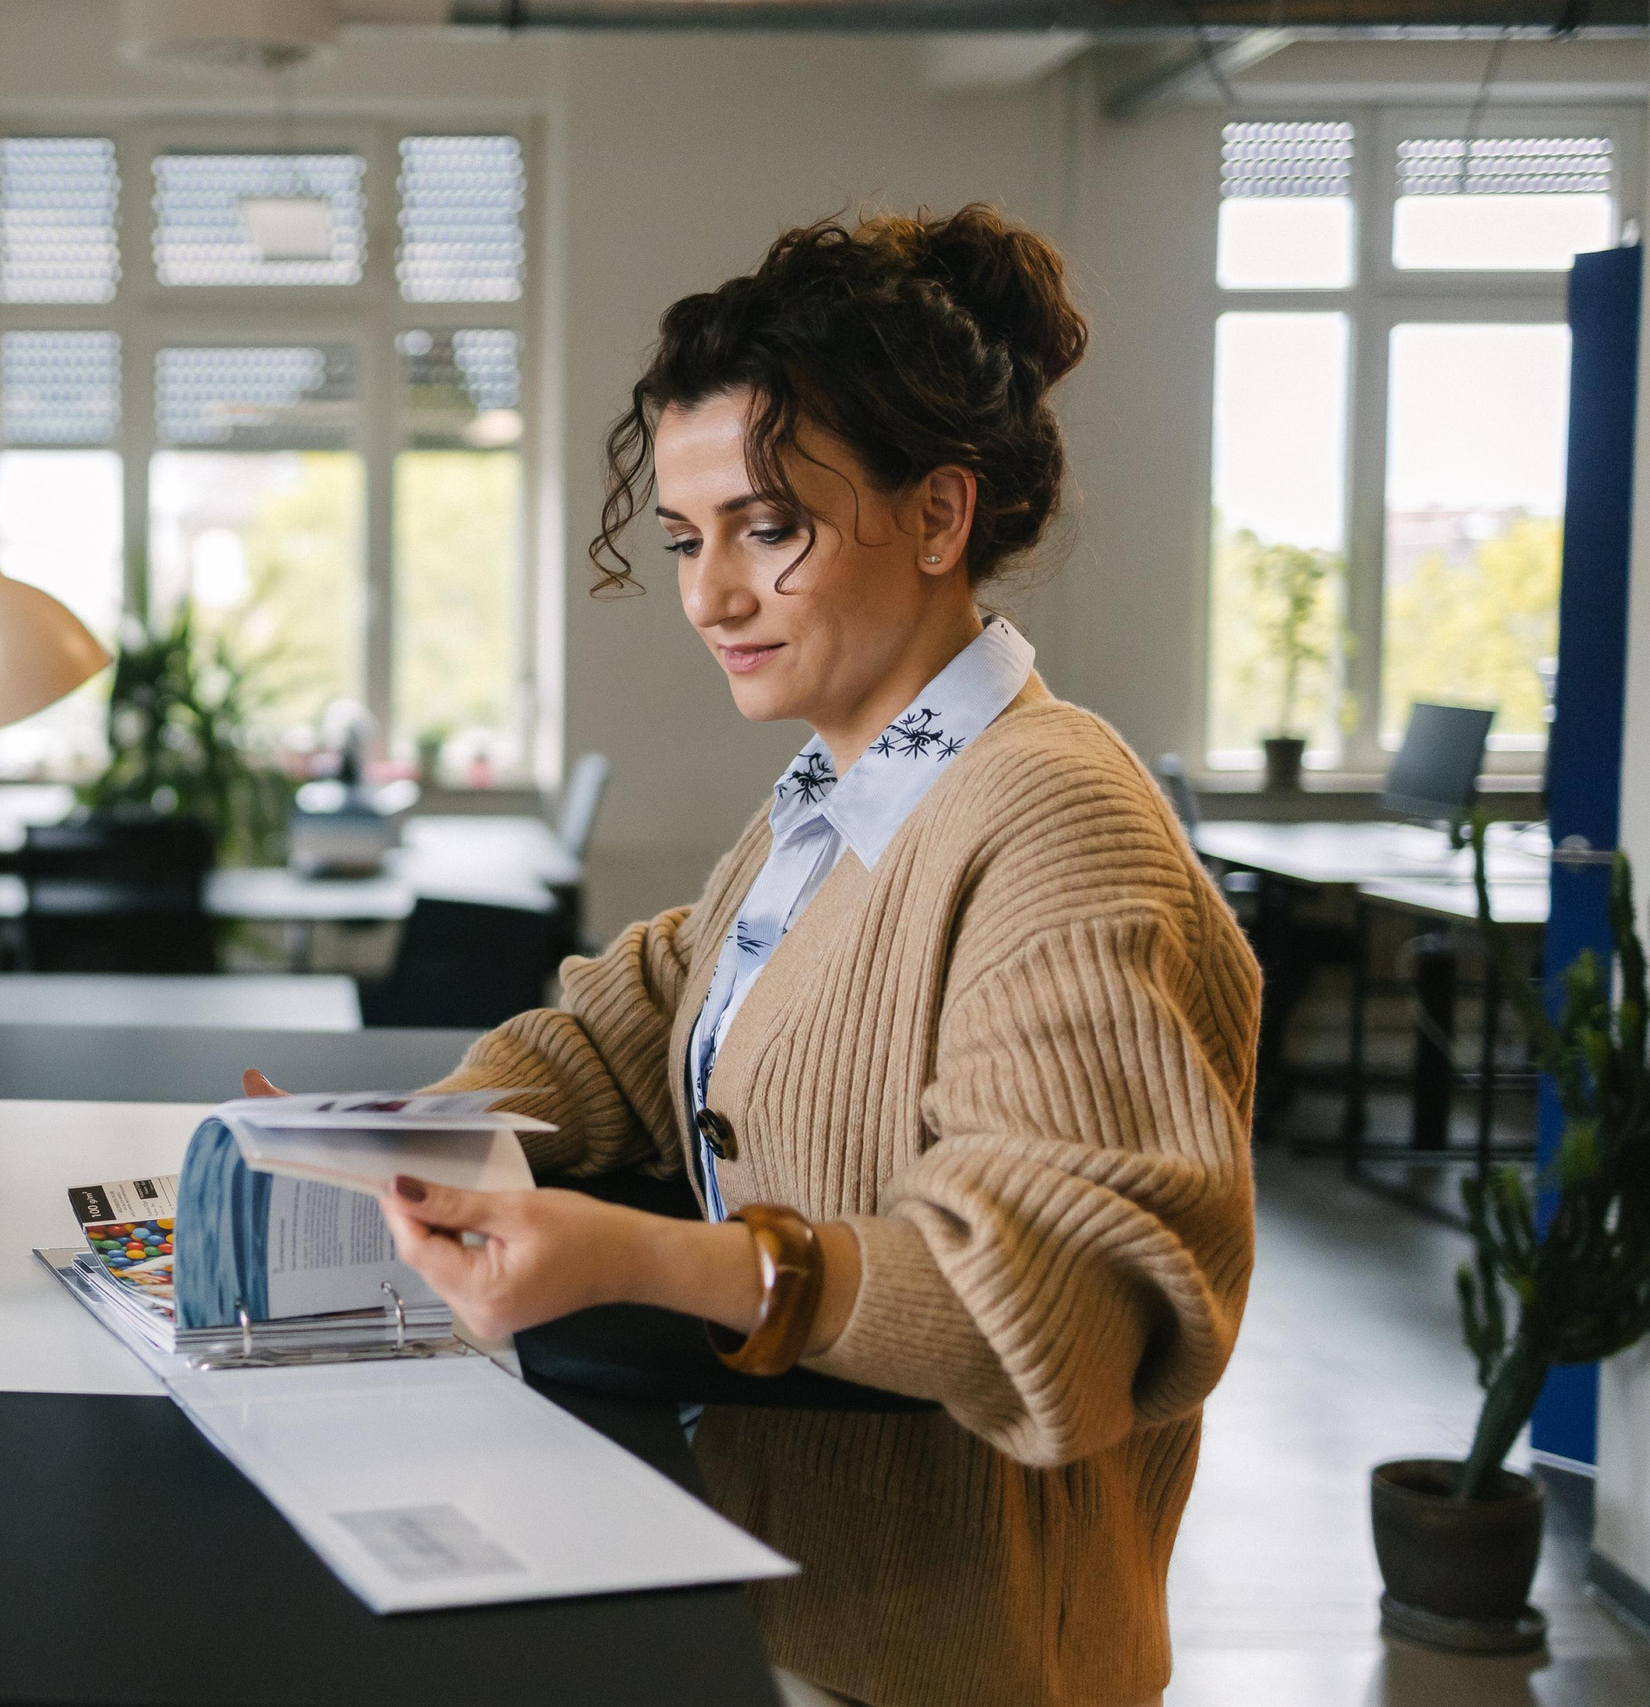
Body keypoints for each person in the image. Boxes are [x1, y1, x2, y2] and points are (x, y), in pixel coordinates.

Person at [256, 207, 1258, 1707]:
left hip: (950, 1656)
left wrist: (653, 1260)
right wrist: (419, 1136)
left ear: (938, 517)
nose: (711, 595)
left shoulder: (1052, 816)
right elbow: (656, 1008)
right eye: (684, 538)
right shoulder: (843, 784)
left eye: (768, 529)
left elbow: (1054, 1302)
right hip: (783, 1600)